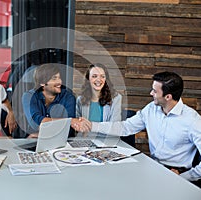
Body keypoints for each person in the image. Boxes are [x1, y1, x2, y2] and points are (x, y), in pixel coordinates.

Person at [73, 71, 201, 185]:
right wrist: (91, 125)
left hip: (177, 174)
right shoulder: (151, 109)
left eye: (155, 91)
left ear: (168, 97)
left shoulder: (192, 120)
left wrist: (185, 177)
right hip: (154, 168)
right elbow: (125, 127)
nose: (151, 93)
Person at [22, 63, 77, 138]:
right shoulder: (29, 96)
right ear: (42, 83)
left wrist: (42, 135)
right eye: (54, 78)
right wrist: (68, 121)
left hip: (61, 142)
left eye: (59, 77)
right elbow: (35, 123)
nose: (59, 82)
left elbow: (68, 128)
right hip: (34, 142)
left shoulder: (68, 97)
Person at [76, 63, 122, 137]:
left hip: (107, 143)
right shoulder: (80, 100)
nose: (99, 80)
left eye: (102, 76)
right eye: (94, 76)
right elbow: (78, 128)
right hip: (86, 142)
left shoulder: (116, 99)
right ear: (88, 79)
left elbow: (115, 128)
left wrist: (91, 126)